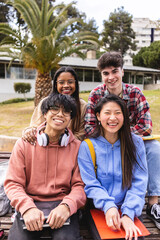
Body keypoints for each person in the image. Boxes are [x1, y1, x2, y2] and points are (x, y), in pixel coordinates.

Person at [84, 51, 160, 229]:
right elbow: (89, 127)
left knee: (154, 147)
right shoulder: (96, 95)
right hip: (105, 142)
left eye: (114, 71)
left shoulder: (135, 93)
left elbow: (146, 125)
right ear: (101, 75)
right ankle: (108, 198)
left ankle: (154, 202)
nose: (111, 77)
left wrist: (121, 133)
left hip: (132, 141)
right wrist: (111, 135)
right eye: (106, 73)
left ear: (122, 71)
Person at [4, 93, 86, 240]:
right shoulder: (23, 145)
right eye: (54, 109)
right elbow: (13, 183)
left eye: (66, 111)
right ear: (44, 113)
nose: (60, 114)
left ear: (70, 118)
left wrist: (66, 206)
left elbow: (80, 185)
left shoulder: (78, 147)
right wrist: (27, 208)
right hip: (30, 203)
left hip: (63, 205)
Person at [78, 94, 148, 240]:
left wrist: (128, 214)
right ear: (98, 116)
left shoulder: (135, 143)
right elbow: (91, 184)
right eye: (107, 113)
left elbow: (139, 182)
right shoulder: (88, 146)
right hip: (99, 210)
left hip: (129, 208)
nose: (112, 118)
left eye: (118, 113)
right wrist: (109, 206)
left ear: (124, 116)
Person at [23, 66, 87, 142]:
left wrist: (63, 142)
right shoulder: (45, 102)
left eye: (70, 82)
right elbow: (34, 126)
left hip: (71, 149)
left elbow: (81, 134)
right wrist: (29, 132)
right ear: (56, 85)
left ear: (76, 84)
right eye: (61, 82)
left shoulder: (83, 106)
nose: (66, 85)